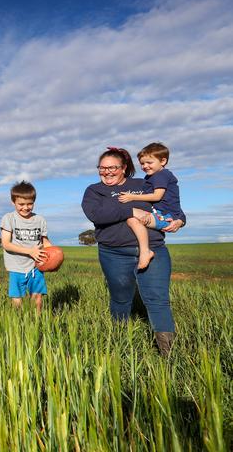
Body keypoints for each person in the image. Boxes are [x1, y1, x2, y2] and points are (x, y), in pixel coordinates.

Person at [81, 147, 185, 356]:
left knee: (158, 299)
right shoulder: (94, 191)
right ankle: (119, 345)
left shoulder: (143, 184)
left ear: (124, 168)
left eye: (112, 168)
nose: (106, 172)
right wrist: (131, 210)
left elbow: (168, 201)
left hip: (154, 249)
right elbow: (97, 215)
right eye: (102, 168)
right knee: (120, 298)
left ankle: (168, 354)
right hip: (114, 253)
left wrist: (180, 219)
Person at [117, 142, 185, 269]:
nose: (145, 166)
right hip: (161, 214)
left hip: (166, 216)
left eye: (149, 162)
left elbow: (156, 196)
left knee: (131, 217)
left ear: (163, 161)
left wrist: (131, 196)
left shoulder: (161, 175)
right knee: (134, 217)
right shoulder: (152, 177)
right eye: (142, 163)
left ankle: (145, 251)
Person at [0, 181, 52, 312]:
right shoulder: (9, 218)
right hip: (16, 267)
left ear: (34, 201)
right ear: (13, 202)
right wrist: (30, 251)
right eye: (21, 204)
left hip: (37, 266)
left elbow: (45, 242)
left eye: (29, 204)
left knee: (37, 298)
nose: (26, 207)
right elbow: (6, 244)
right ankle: (19, 323)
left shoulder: (40, 220)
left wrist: (54, 257)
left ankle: (37, 324)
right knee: (17, 299)